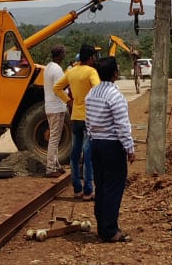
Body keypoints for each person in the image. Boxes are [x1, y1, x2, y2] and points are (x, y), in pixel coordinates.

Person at [85, 55, 136, 242]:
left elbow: (88, 121)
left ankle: (103, 225)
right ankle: (110, 230)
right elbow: (122, 125)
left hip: (96, 144)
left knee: (101, 185)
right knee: (114, 187)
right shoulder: (115, 96)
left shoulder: (91, 94)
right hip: (112, 146)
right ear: (115, 73)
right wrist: (129, 149)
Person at [54, 44, 99, 200]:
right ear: (91, 57)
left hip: (75, 117)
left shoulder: (71, 71)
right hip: (88, 117)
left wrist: (69, 101)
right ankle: (88, 190)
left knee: (75, 153)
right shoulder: (91, 72)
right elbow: (98, 89)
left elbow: (57, 87)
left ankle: (77, 189)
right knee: (88, 154)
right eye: (94, 57)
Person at [43, 44, 68, 177]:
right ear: (60, 55)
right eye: (64, 53)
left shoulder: (48, 67)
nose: (65, 55)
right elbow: (60, 89)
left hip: (49, 106)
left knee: (54, 136)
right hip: (57, 107)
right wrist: (69, 101)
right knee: (54, 138)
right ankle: (50, 167)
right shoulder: (57, 70)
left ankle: (56, 164)